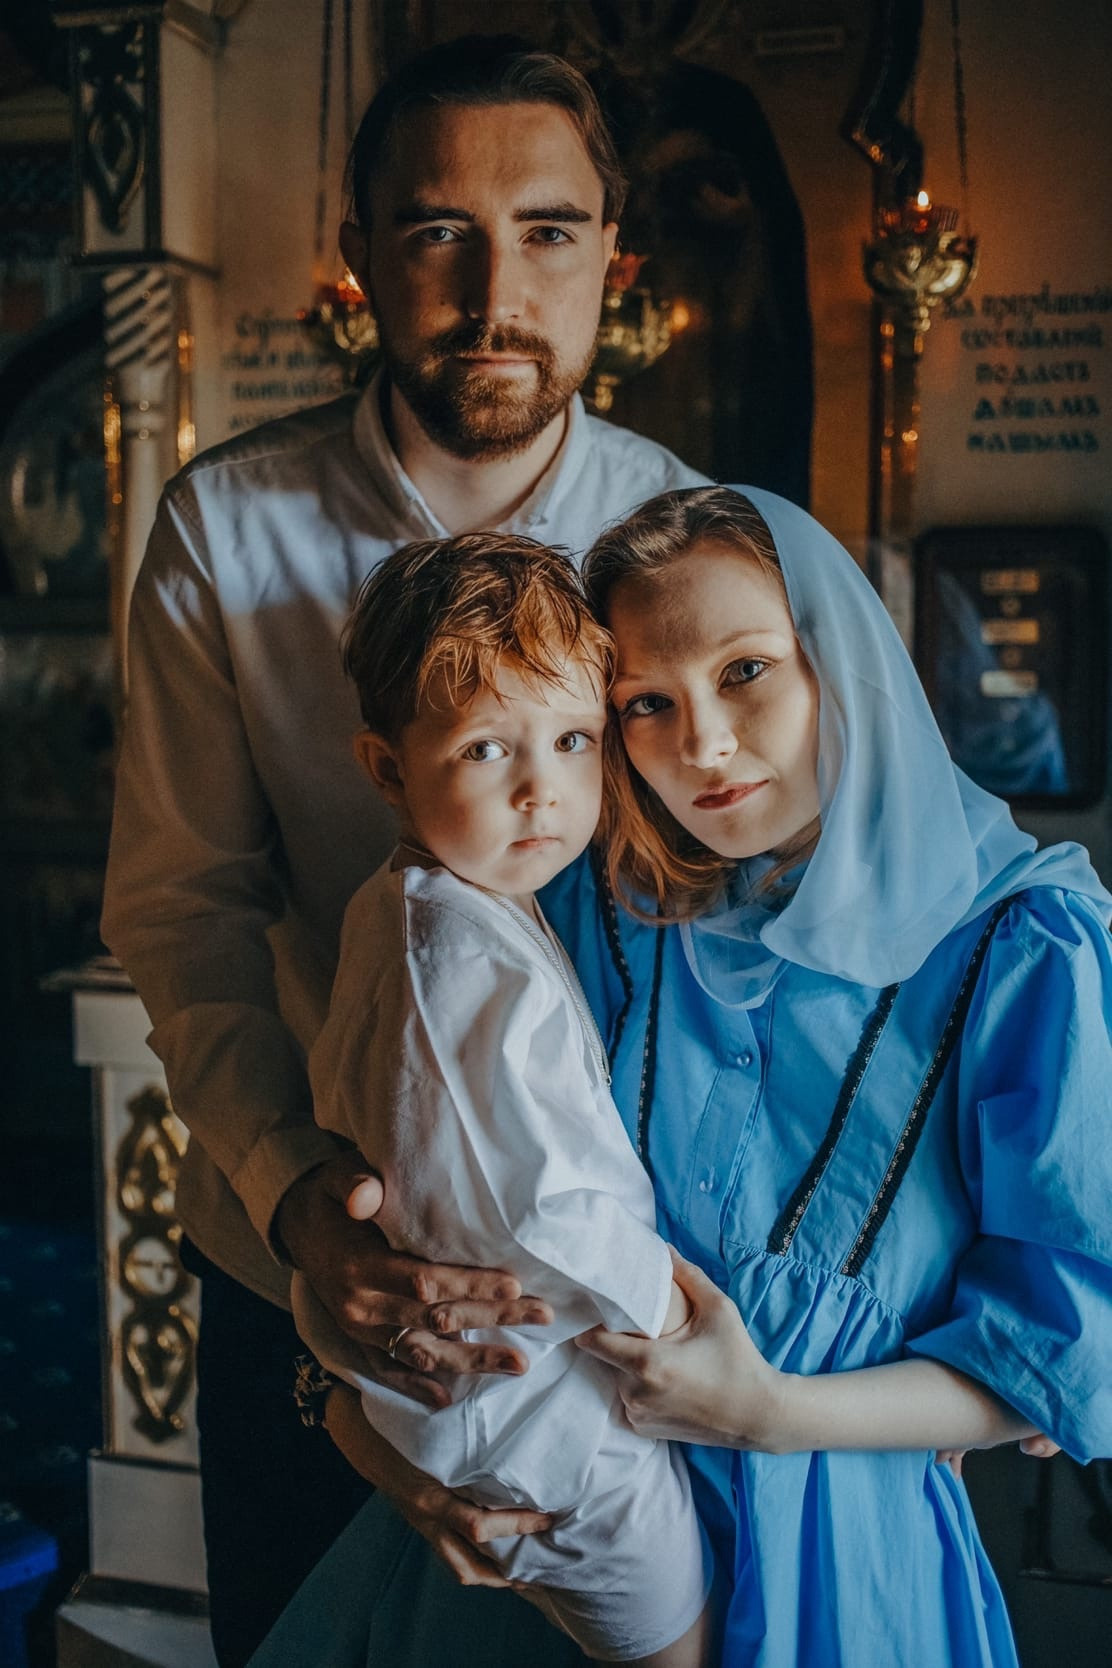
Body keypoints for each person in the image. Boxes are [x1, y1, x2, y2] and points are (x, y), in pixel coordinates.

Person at [249, 485, 1111, 1668]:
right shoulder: (596, 908)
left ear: (838, 661)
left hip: (832, 1551)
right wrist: (382, 1447)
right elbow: (445, 1216)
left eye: (746, 671)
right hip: (552, 1524)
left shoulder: (1024, 946)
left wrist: (769, 1412)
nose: (701, 745)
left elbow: (1055, 1363)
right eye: (644, 704)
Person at [100, 35, 706, 1668]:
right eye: (438, 228)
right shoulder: (226, 529)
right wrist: (308, 1218)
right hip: (296, 1262)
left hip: (616, 1311)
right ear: (360, 256)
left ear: (609, 262)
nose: (495, 283)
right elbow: (184, 906)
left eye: (548, 228)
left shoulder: (688, 538)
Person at [295, 534, 711, 1665]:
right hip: (549, 1417)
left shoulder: (440, 900)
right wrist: (672, 1320)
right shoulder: (457, 955)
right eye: (487, 749)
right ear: (387, 769)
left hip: (507, 1395)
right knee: (683, 1643)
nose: (543, 790)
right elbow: (539, 1207)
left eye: (573, 739)